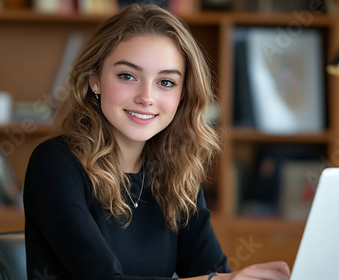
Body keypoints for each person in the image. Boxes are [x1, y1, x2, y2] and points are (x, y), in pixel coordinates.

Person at [23, 4, 290, 280]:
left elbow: (211, 270)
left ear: (182, 94)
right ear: (95, 80)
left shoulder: (175, 171)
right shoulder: (55, 164)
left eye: (166, 82)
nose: (146, 97)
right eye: (127, 76)